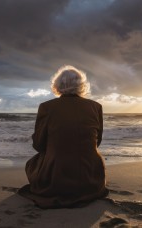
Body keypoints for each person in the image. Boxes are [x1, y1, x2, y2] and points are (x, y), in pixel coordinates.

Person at [18, 65, 108, 209]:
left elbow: (39, 145)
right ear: (82, 86)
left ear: (57, 85)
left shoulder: (46, 107)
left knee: (33, 164)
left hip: (57, 180)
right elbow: (97, 142)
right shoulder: (96, 107)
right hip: (91, 179)